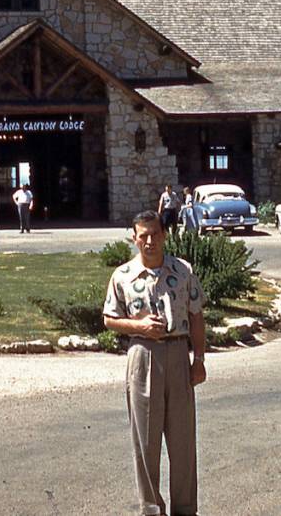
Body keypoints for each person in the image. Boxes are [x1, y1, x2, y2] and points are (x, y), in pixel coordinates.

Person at [103, 211, 206, 516]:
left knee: (183, 442)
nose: (150, 241)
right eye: (143, 235)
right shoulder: (122, 276)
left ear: (164, 235)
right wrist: (140, 327)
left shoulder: (182, 271)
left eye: (155, 234)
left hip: (178, 355)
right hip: (143, 356)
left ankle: (185, 510)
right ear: (134, 238)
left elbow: (197, 316)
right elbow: (110, 318)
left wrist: (198, 360)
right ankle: (151, 509)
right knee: (146, 444)